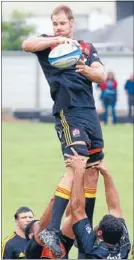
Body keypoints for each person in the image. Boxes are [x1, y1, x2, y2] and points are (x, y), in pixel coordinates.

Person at [22, 4, 106, 256]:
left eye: (62, 24)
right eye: (55, 23)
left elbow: (100, 74)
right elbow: (27, 44)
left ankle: (84, 230)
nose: (58, 27)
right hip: (69, 113)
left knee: (92, 171)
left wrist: (89, 71)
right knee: (75, 163)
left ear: (72, 24)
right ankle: (53, 229)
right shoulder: (49, 43)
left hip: (90, 114)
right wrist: (58, 39)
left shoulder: (86, 47)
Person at [66, 149, 131, 259]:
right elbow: (114, 208)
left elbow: (77, 209)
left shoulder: (93, 249)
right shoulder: (123, 245)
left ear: (99, 233)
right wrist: (106, 173)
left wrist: (79, 172)